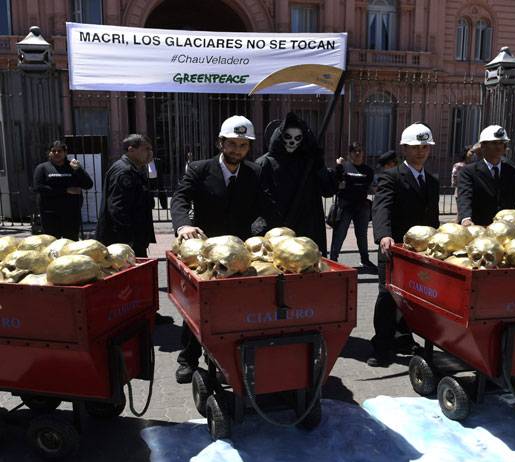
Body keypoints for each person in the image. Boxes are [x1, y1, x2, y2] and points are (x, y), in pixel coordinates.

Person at [170, 115, 280, 383]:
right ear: (220, 143)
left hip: (238, 255)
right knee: (196, 309)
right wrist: (183, 226)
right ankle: (188, 358)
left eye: (243, 145)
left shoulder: (255, 172)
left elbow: (266, 207)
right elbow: (180, 198)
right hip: (204, 253)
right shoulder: (199, 169)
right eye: (232, 144)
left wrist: (268, 233)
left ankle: (226, 360)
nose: (237, 151)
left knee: (234, 310)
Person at [369, 123, 440, 367]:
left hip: (420, 253)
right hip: (394, 249)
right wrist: (384, 236)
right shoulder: (391, 176)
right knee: (387, 298)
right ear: (404, 149)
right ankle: (382, 347)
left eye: (424, 146)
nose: (420, 151)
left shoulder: (432, 181)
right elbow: (382, 207)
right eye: (415, 147)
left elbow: (433, 218)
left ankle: (405, 339)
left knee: (417, 298)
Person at [255, 112, 342, 256]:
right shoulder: (265, 164)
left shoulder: (310, 163)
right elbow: (257, 202)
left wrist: (321, 166)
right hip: (277, 232)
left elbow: (327, 190)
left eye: (297, 139)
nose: (292, 142)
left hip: (307, 232)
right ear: (280, 136)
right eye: (288, 137)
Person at [457, 125, 515, 227]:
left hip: (508, 230)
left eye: (502, 143)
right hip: (481, 229)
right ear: (483, 146)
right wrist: (466, 219)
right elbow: (465, 197)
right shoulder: (469, 172)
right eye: (494, 143)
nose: (499, 147)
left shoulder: (512, 171)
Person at [96, 134, 156, 256]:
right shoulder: (124, 171)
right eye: (146, 149)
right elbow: (118, 209)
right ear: (131, 150)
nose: (150, 153)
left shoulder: (136, 168)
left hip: (133, 238)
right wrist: (130, 241)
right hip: (124, 242)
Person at [32, 140, 94, 240]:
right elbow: (38, 188)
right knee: (52, 243)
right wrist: (66, 190)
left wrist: (79, 170)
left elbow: (88, 185)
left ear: (65, 152)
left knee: (70, 243)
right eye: (54, 151)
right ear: (49, 152)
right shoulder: (42, 168)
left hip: (71, 214)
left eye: (60, 151)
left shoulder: (73, 166)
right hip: (50, 214)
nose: (56, 153)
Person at [329, 142, 375, 268]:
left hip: (362, 207)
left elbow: (369, 186)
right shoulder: (344, 167)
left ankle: (365, 260)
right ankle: (333, 260)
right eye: (354, 151)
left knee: (362, 235)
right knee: (340, 234)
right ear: (349, 154)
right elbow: (337, 181)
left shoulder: (368, 170)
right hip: (345, 207)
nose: (358, 153)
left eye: (360, 150)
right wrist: (338, 166)